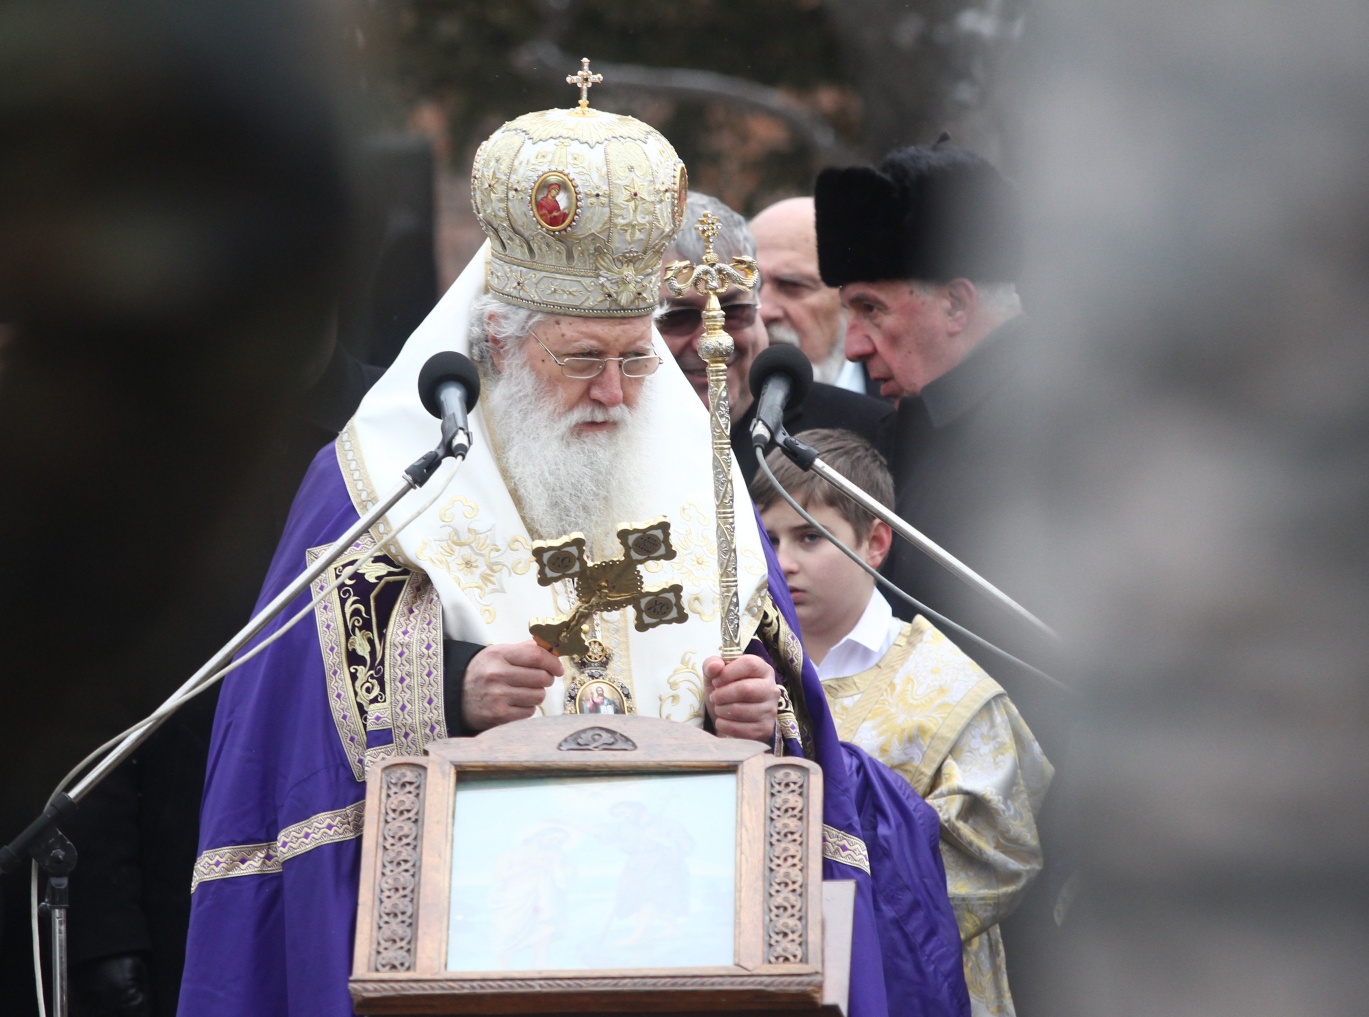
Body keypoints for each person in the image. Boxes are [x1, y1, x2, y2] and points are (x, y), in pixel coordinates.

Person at [179, 88, 967, 1017]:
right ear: (500, 343)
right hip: (469, 949)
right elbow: (288, 710)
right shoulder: (378, 475)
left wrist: (761, 708)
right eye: (582, 359)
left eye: (635, 359)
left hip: (687, 951)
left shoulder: (699, 470)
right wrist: (451, 685)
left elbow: (772, 673)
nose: (616, 393)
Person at [815, 142, 1074, 1015]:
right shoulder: (910, 423)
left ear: (958, 303)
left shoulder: (1071, 416)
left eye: (871, 308)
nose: (854, 343)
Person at [752, 429, 1052, 1017]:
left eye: (810, 536)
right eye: (770, 539)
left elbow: (1000, 856)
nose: (784, 562)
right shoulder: (743, 671)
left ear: (876, 541)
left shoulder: (952, 689)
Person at [658, 192, 894, 484]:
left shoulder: (872, 432)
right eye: (678, 318)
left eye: (734, 312)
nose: (713, 342)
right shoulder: (607, 433)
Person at [749, 196, 869, 394]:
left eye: (792, 286)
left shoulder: (904, 392)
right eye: (750, 287)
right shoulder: (709, 399)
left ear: (852, 297)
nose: (762, 312)